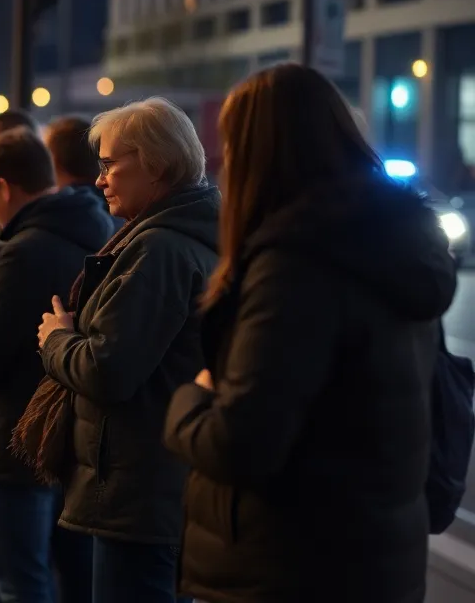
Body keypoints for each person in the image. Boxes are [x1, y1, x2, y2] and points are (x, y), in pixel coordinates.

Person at [164, 64, 458, 603]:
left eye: (231, 143)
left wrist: (191, 398)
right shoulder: (397, 243)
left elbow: (241, 443)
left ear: (258, 151)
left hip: (290, 563)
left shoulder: (296, 267)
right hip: (378, 556)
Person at [24, 97, 219, 603]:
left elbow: (108, 369)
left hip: (139, 489)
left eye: (111, 164)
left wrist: (57, 340)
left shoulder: (158, 250)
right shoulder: (180, 238)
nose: (100, 179)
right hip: (158, 480)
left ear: (155, 162)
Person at [0, 128, 112, 603]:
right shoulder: (99, 228)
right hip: (73, 431)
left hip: (16, 435)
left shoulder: (22, 249)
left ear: (3, 187)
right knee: (73, 573)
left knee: (19, 578)